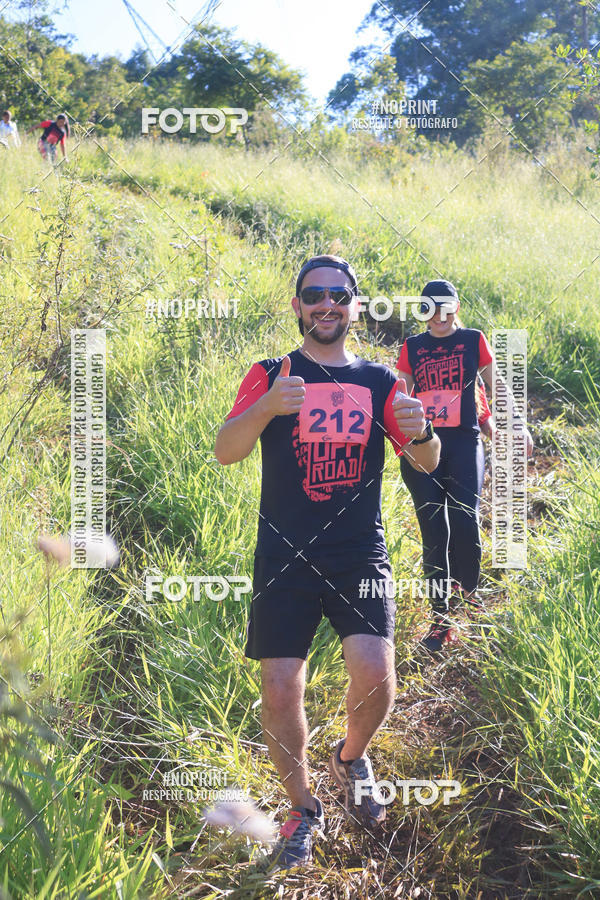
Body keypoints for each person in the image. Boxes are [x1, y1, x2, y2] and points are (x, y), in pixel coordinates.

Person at [215, 255, 440, 869]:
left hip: (356, 552)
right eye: (313, 294)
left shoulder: (379, 382)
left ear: (354, 307)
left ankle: (350, 757)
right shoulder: (271, 373)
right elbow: (225, 451)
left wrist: (420, 432)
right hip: (283, 554)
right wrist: (264, 410)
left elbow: (426, 461)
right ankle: (301, 806)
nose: (326, 303)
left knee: (374, 671)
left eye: (338, 294)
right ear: (297, 307)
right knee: (281, 686)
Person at [396, 280, 533, 652]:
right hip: (423, 448)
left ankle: (467, 594)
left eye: (445, 307)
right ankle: (441, 619)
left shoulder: (474, 340)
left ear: (457, 306)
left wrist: (515, 424)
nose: (438, 315)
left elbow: (496, 384)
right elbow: (400, 397)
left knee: (464, 519)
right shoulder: (412, 348)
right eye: (429, 308)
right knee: (433, 531)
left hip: (465, 442)